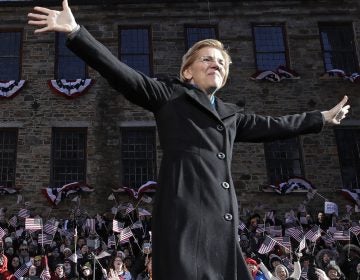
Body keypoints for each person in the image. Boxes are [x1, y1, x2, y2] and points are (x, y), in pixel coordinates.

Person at [27, 1, 350, 279]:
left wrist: (321, 117)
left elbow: (277, 125)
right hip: (184, 207)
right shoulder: (169, 96)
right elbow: (121, 73)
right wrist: (75, 33)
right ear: (187, 72)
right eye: (207, 59)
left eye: (221, 63)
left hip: (222, 215)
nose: (216, 64)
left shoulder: (230, 115)